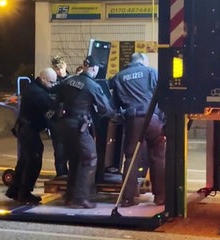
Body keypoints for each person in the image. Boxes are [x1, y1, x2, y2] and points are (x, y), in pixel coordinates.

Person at [55, 55, 114, 208]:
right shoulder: (92, 85)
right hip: (79, 127)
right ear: (94, 68)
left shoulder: (68, 81)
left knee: (75, 160)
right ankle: (81, 198)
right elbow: (105, 109)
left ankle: (70, 196)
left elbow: (56, 101)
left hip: (65, 126)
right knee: (89, 158)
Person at [109, 52, 166, 207]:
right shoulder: (151, 72)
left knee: (131, 158)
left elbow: (114, 104)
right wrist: (162, 118)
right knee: (158, 156)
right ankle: (160, 196)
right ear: (143, 61)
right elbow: (163, 94)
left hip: (133, 120)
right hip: (152, 119)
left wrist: (122, 116)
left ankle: (128, 198)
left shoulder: (119, 76)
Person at [5, 68, 58, 204]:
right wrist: (57, 111)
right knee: (33, 161)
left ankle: (14, 191)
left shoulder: (33, 87)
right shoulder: (38, 93)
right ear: (44, 79)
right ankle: (24, 193)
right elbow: (49, 112)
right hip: (29, 129)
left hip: (24, 128)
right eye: (51, 82)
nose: (53, 85)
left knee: (24, 161)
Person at [49, 55, 74, 178]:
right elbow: (49, 103)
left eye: (60, 68)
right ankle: (61, 174)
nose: (59, 71)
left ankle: (73, 174)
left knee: (72, 149)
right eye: (56, 69)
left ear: (65, 66)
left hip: (70, 120)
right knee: (59, 151)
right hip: (57, 121)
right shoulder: (53, 82)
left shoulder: (72, 80)